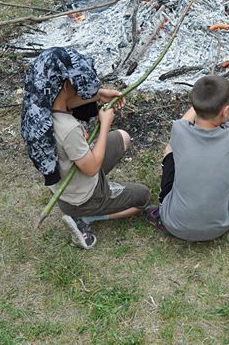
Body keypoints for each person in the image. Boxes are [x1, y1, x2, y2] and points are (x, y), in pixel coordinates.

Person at [21, 47, 150, 250]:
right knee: (142, 197)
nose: (79, 88)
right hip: (83, 198)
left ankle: (89, 203)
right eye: (76, 84)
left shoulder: (38, 106)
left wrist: (98, 96)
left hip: (68, 183)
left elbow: (70, 100)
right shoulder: (68, 129)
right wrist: (105, 123)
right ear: (65, 85)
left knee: (123, 138)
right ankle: (88, 216)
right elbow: (91, 168)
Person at [146, 75, 229, 242]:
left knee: (169, 151)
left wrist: (198, 105)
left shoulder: (179, 130)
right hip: (222, 226)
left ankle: (161, 215)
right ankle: (223, 216)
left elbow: (185, 121)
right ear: (226, 111)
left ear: (194, 107)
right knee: (215, 171)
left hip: (174, 225)